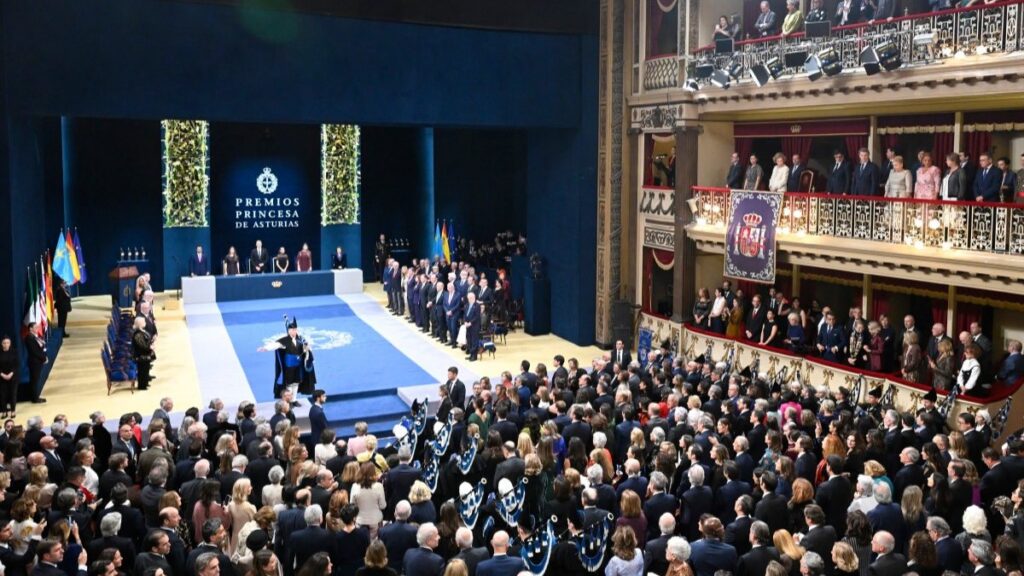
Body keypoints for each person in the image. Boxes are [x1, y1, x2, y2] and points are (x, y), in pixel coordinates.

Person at [268, 318, 317, 400]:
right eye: (292, 329)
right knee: (289, 385)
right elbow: (276, 345)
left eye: (295, 329)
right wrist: (266, 348)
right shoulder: (284, 340)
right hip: (289, 367)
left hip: (298, 366)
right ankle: (289, 401)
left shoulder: (300, 339)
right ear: (288, 330)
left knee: (296, 383)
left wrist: (307, 350)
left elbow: (306, 347)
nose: (294, 331)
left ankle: (294, 400)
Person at [24, 322, 47, 404]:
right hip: (34, 362)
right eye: (35, 327)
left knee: (35, 380)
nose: (37, 328)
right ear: (30, 329)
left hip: (38, 361)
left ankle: (34, 396)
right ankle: (35, 398)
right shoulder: (29, 338)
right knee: (34, 380)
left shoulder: (34, 337)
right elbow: (34, 352)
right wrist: (44, 358)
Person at [132, 316, 155, 392]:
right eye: (144, 322)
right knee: (142, 370)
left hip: (145, 355)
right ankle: (142, 386)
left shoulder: (142, 330)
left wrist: (151, 342)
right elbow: (143, 346)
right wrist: (150, 347)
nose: (145, 323)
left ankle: (145, 383)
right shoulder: (137, 334)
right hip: (141, 355)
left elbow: (146, 341)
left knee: (146, 369)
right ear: (139, 324)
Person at [0, 335, 18, 418]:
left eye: (8, 343)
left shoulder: (14, 352)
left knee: (12, 394)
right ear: (1, 344)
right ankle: (4, 411)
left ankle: (13, 410)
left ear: (10, 343)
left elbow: (16, 365)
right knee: (3, 395)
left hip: (13, 376)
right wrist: (2, 374)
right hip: (1, 377)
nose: (6, 344)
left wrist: (11, 373)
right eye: (4, 343)